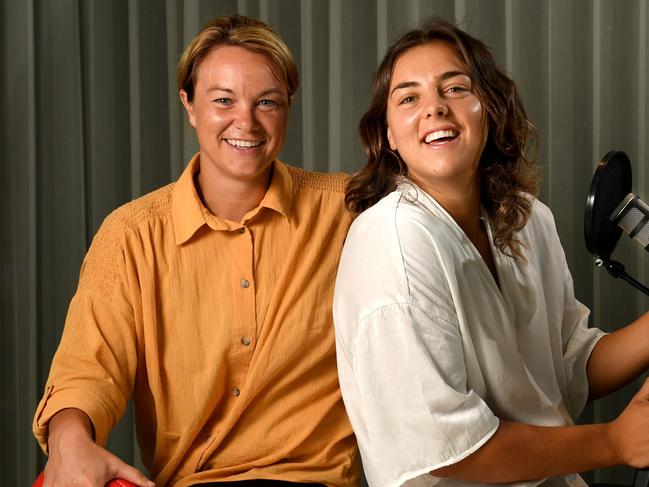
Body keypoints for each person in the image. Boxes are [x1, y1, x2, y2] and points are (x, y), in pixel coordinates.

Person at [33, 15, 359, 487]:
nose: (244, 122)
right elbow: (87, 370)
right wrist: (69, 441)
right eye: (223, 100)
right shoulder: (130, 236)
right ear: (188, 104)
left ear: (288, 106)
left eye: (266, 102)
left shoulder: (349, 211)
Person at [333, 17, 649, 487]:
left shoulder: (528, 220)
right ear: (389, 137)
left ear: (491, 109)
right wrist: (615, 442)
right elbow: (448, 450)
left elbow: (567, 369)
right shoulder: (390, 242)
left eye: (455, 88)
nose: (434, 108)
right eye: (408, 97)